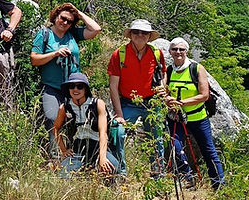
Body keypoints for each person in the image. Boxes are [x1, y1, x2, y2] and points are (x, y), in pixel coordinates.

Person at [163, 37, 225, 189]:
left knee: (209, 151)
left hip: (198, 118)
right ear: (170, 51)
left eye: (181, 49)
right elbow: (162, 91)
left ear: (187, 51)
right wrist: (168, 99)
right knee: (175, 147)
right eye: (175, 49)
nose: (178, 52)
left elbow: (204, 95)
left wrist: (183, 103)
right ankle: (187, 178)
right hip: (176, 118)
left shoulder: (196, 69)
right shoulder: (169, 70)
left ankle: (219, 185)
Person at [108, 19, 167, 174]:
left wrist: (162, 87)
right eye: (136, 32)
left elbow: (162, 74)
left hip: (152, 103)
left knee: (157, 139)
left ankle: (158, 176)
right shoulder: (119, 54)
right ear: (130, 35)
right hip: (128, 103)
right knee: (118, 133)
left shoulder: (156, 53)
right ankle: (121, 173)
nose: (140, 35)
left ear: (149, 36)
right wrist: (119, 114)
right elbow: (113, 86)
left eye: (144, 33)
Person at [30, 3, 101, 129]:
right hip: (52, 87)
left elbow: (96, 29)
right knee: (53, 119)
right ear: (56, 16)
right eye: (63, 18)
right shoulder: (45, 34)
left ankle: (74, 148)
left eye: (69, 21)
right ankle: (54, 149)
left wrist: (78, 13)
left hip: (74, 87)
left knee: (78, 120)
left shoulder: (72, 34)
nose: (65, 22)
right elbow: (34, 59)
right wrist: (54, 54)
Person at [52, 72, 120, 177]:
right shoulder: (64, 107)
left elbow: (103, 133)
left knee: (112, 168)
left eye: (79, 86)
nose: (75, 90)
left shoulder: (97, 104)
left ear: (85, 89)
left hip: (97, 146)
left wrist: (102, 157)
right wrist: (64, 150)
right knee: (64, 175)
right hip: (77, 149)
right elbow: (55, 128)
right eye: (71, 86)